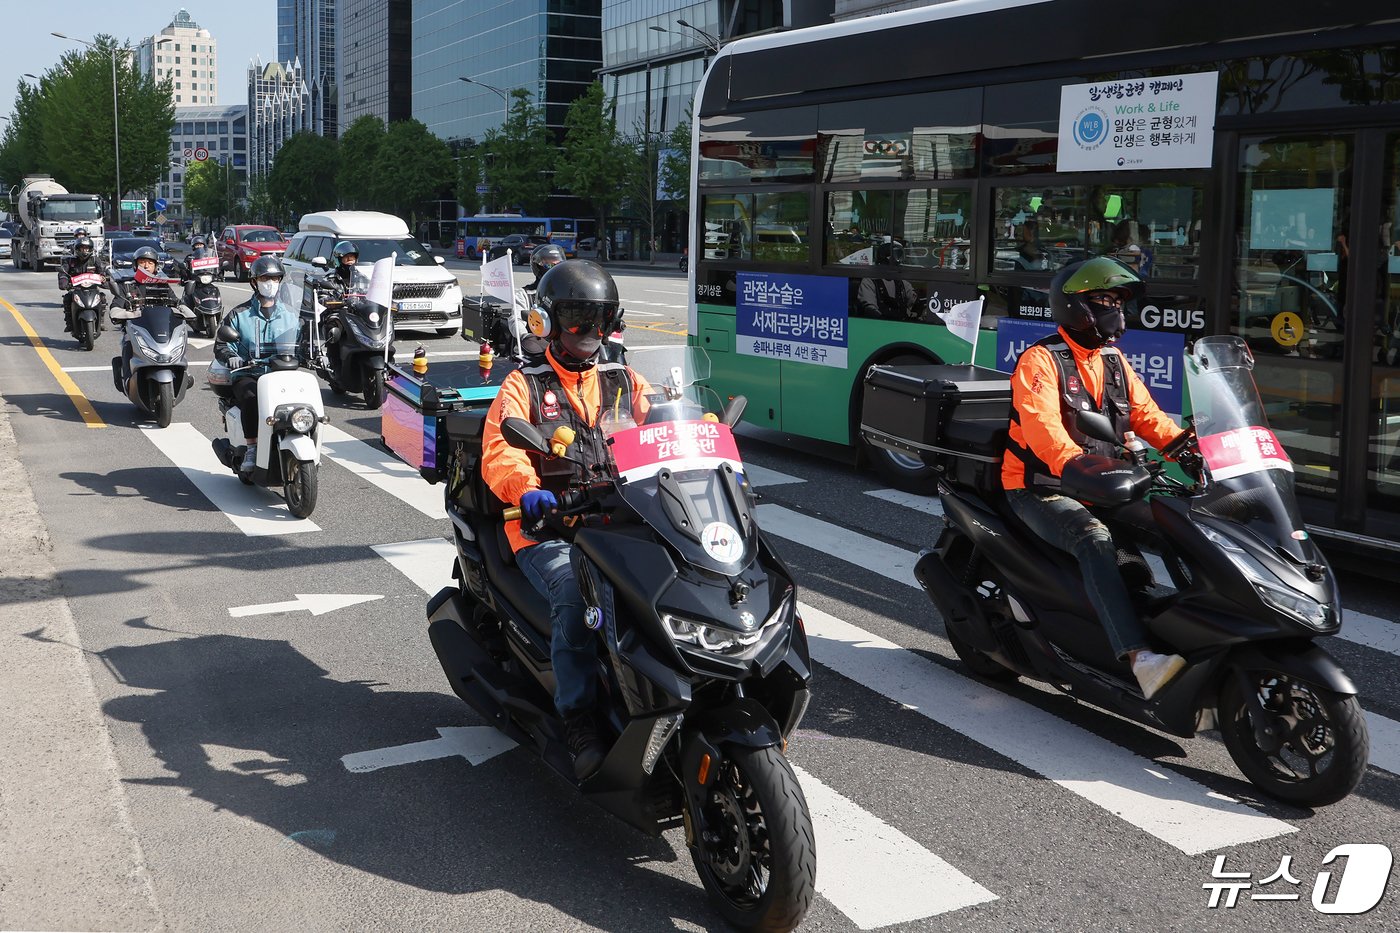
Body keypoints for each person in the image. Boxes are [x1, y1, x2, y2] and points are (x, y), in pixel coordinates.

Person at [480, 260, 650, 779]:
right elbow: (499, 449)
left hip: (619, 518)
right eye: (577, 319)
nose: (589, 333)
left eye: (599, 320)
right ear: (548, 322)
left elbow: (660, 419)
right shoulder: (523, 384)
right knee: (578, 598)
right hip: (549, 527)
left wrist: (693, 429)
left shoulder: (622, 377)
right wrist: (526, 490)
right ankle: (578, 715)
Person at [1001, 256, 1188, 699]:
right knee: (1093, 538)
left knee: (1179, 525)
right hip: (1041, 488)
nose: (1114, 310)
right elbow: (1043, 430)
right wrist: (1076, 467)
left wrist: (1188, 448)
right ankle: (1139, 658)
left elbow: (1147, 416)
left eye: (1118, 301)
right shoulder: (1041, 361)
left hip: (1106, 482)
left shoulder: (1115, 361)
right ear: (1074, 306)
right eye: (1103, 300)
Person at [214, 256, 301, 474]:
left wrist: (315, 351)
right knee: (251, 396)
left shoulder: (291, 314)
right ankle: (251, 448)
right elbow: (222, 343)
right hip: (249, 372)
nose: (270, 282)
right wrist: (230, 357)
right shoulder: (239, 314)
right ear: (254, 281)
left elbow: (302, 340)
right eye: (265, 278)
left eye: (274, 278)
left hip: (281, 372)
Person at [855, 239, 918, 320]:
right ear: (884, 260)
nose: (898, 264)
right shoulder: (870, 280)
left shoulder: (900, 281)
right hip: (881, 325)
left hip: (902, 323)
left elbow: (913, 298)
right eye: (895, 262)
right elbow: (870, 308)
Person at [58, 235, 108, 333]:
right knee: (67, 298)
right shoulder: (70, 261)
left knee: (102, 298)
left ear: (91, 249)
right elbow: (63, 273)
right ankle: (69, 323)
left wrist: (105, 279)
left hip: (92, 289)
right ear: (77, 249)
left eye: (87, 248)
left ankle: (101, 322)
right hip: (76, 289)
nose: (84, 251)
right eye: (82, 248)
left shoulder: (95, 260)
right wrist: (64, 282)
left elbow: (103, 272)